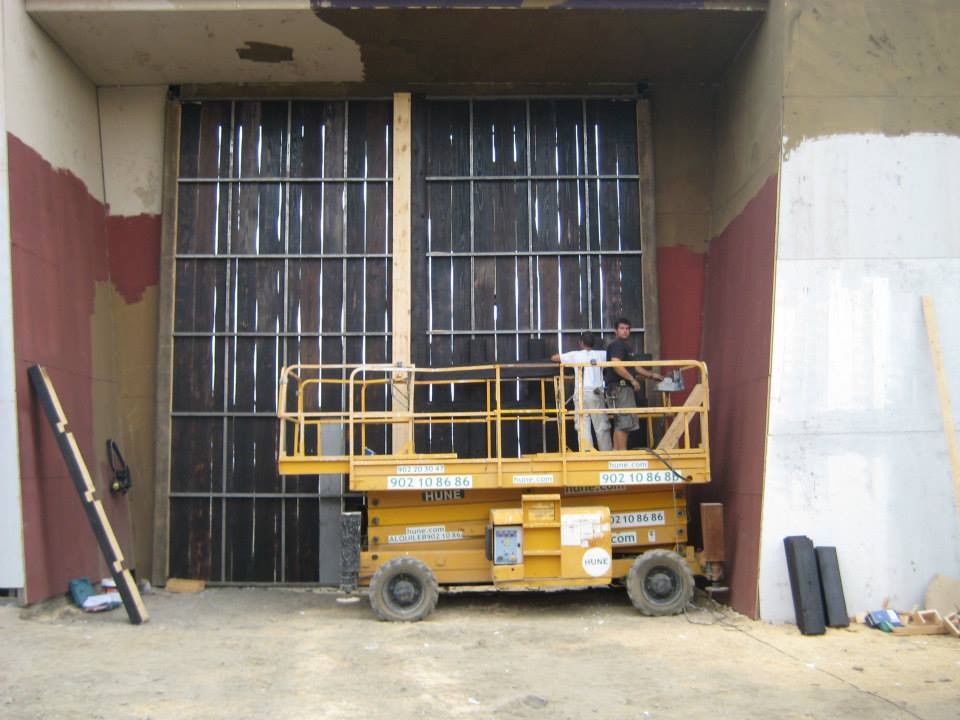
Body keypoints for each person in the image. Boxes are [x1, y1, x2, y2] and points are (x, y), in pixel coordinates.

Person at [605, 318, 663, 451]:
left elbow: (635, 366)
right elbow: (616, 364)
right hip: (620, 387)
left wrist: (651, 375)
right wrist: (632, 379)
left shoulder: (626, 347)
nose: (625, 331)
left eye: (627, 329)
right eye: (622, 328)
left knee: (620, 421)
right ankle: (622, 454)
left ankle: (616, 451)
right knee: (624, 421)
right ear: (616, 331)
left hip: (620, 388)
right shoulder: (617, 345)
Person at [551, 332, 612, 452]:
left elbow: (555, 358)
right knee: (601, 426)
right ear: (593, 343)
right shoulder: (601, 354)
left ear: (581, 343)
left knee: (583, 425)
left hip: (580, 392)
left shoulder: (575, 355)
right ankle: (606, 452)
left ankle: (586, 452)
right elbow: (616, 358)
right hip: (595, 393)